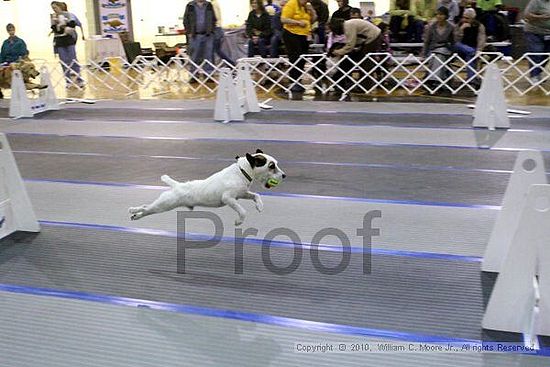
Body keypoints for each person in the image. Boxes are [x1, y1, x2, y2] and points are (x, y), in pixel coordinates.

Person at [328, 17, 382, 90]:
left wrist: (338, 52)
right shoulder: (348, 24)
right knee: (360, 59)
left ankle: (365, 87)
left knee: (366, 61)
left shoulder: (348, 26)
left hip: (373, 37)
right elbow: (356, 39)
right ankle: (359, 85)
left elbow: (350, 45)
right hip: (369, 38)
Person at [281, 0, 317, 94]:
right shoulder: (291, 4)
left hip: (304, 35)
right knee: (295, 57)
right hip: (291, 34)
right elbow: (283, 19)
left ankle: (299, 80)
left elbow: (312, 20)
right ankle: (293, 82)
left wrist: (312, 11)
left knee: (302, 58)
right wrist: (297, 22)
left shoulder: (307, 6)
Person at [50, 1, 84, 88]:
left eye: (55, 7)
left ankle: (79, 79)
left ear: (59, 6)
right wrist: (61, 26)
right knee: (63, 61)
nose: (54, 9)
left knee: (73, 59)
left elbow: (72, 24)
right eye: (53, 8)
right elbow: (55, 28)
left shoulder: (69, 14)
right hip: (59, 40)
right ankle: (68, 80)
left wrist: (63, 26)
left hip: (69, 40)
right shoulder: (53, 16)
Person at [183, 0, 216, 81]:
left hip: (208, 35)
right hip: (195, 35)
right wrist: (189, 32)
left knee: (208, 55)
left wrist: (211, 29)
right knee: (194, 56)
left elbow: (213, 18)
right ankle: (194, 75)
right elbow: (185, 20)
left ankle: (208, 75)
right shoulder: (190, 5)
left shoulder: (209, 5)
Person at [422, 6, 455, 86]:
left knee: (440, 53)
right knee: (437, 55)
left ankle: (432, 79)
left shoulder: (451, 27)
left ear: (446, 16)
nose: (439, 16)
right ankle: (439, 79)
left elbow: (454, 41)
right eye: (437, 14)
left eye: (441, 14)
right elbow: (427, 41)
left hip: (446, 49)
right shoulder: (431, 27)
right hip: (433, 50)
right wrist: (424, 54)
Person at [454, 7, 485, 82]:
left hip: (472, 48)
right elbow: (455, 39)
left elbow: (481, 39)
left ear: (473, 18)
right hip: (459, 48)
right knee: (460, 46)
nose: (464, 19)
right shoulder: (459, 24)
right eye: (463, 17)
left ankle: (471, 80)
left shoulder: (479, 26)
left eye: (467, 18)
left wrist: (479, 50)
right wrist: (461, 30)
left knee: (471, 56)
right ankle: (472, 52)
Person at [523, 0, 550, 84]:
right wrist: (541, 17)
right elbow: (527, 15)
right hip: (534, 32)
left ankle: (538, 73)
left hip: (548, 33)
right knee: (536, 53)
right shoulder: (535, 1)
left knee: (546, 55)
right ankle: (534, 76)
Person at [211, 0, 235, 65]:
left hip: (216, 29)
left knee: (216, 50)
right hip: (218, 29)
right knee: (215, 50)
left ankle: (231, 63)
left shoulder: (213, 4)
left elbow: (215, 17)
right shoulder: (215, 3)